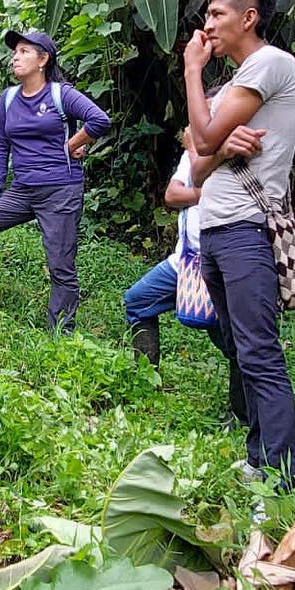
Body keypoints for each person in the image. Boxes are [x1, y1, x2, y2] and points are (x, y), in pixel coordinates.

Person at [183, 0, 295, 490]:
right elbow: (197, 166)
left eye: (216, 15)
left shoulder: (270, 63)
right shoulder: (236, 84)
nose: (206, 26)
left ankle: (278, 476)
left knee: (258, 350)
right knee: (238, 345)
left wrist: (192, 72)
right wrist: (212, 146)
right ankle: (259, 456)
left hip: (246, 229)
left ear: (248, 18)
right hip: (214, 230)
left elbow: (203, 137)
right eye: (206, 17)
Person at [0, 29, 110, 331]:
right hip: (22, 190)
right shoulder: (9, 98)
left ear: (43, 59)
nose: (16, 56)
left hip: (60, 190)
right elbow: (0, 143)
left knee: (60, 264)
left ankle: (61, 332)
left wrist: (71, 145)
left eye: (25, 51)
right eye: (15, 51)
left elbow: (99, 120)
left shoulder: (60, 94)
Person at [123, 127, 249, 424]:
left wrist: (197, 176)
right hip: (185, 260)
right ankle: (145, 380)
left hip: (220, 262)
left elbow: (216, 195)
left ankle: (242, 414)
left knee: (235, 341)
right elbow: (172, 194)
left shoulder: (240, 157)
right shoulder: (194, 154)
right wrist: (201, 187)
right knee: (138, 300)